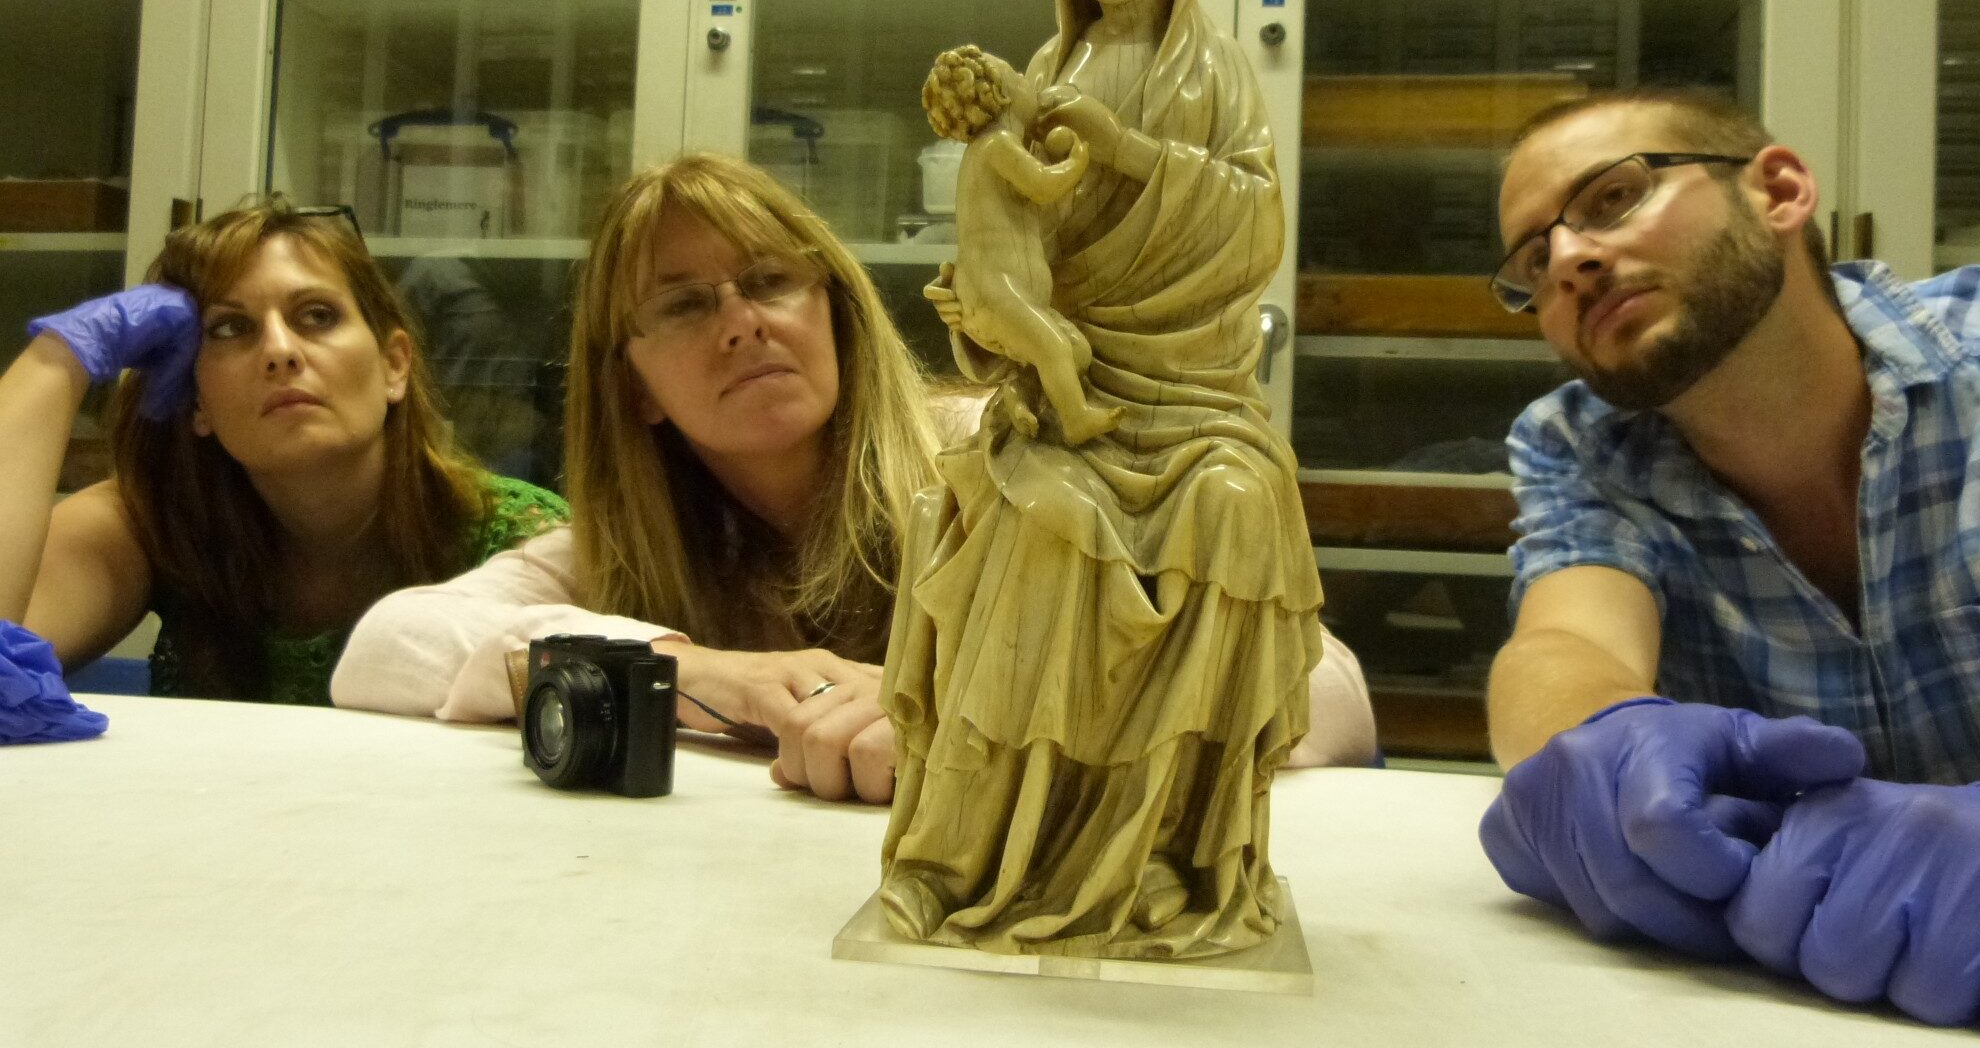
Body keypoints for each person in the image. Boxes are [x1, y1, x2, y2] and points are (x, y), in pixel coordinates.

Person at [329, 152, 1376, 803]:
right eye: (685, 305)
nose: (742, 321)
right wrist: (690, 670)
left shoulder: (1001, 460)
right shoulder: (625, 550)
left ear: (830, 308)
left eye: (773, 281)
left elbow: (1322, 687)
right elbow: (383, 651)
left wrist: (984, 706)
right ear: (636, 386)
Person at [1474, 87, 1980, 1036]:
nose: (1569, 260)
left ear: (1777, 191)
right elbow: (1563, 642)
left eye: (1613, 199)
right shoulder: (1581, 448)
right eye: (1534, 262)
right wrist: (1605, 748)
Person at [876, 0, 1339, 958]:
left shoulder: (1212, 74)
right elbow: (1021, 262)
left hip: (1192, 403)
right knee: (1042, 527)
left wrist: (1128, 151)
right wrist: (981, 328)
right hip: (1068, 408)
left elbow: (1254, 223)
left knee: (1230, 507)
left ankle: (1165, 854)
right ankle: (957, 858)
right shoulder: (1044, 75)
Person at [0, 199, 566, 704]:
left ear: (394, 364)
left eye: (316, 316)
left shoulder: (523, 538)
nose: (279, 350)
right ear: (196, 398)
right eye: (230, 329)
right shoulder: (153, 526)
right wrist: (60, 359)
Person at [919, 43, 1113, 444]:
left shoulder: (996, 151)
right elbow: (1044, 187)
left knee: (1073, 351)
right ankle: (1076, 419)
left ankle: (1018, 394)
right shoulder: (998, 146)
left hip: (1001, 293)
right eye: (1020, 78)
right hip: (995, 291)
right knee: (1054, 347)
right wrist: (1075, 164)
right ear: (1003, 94)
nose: (1032, 85)